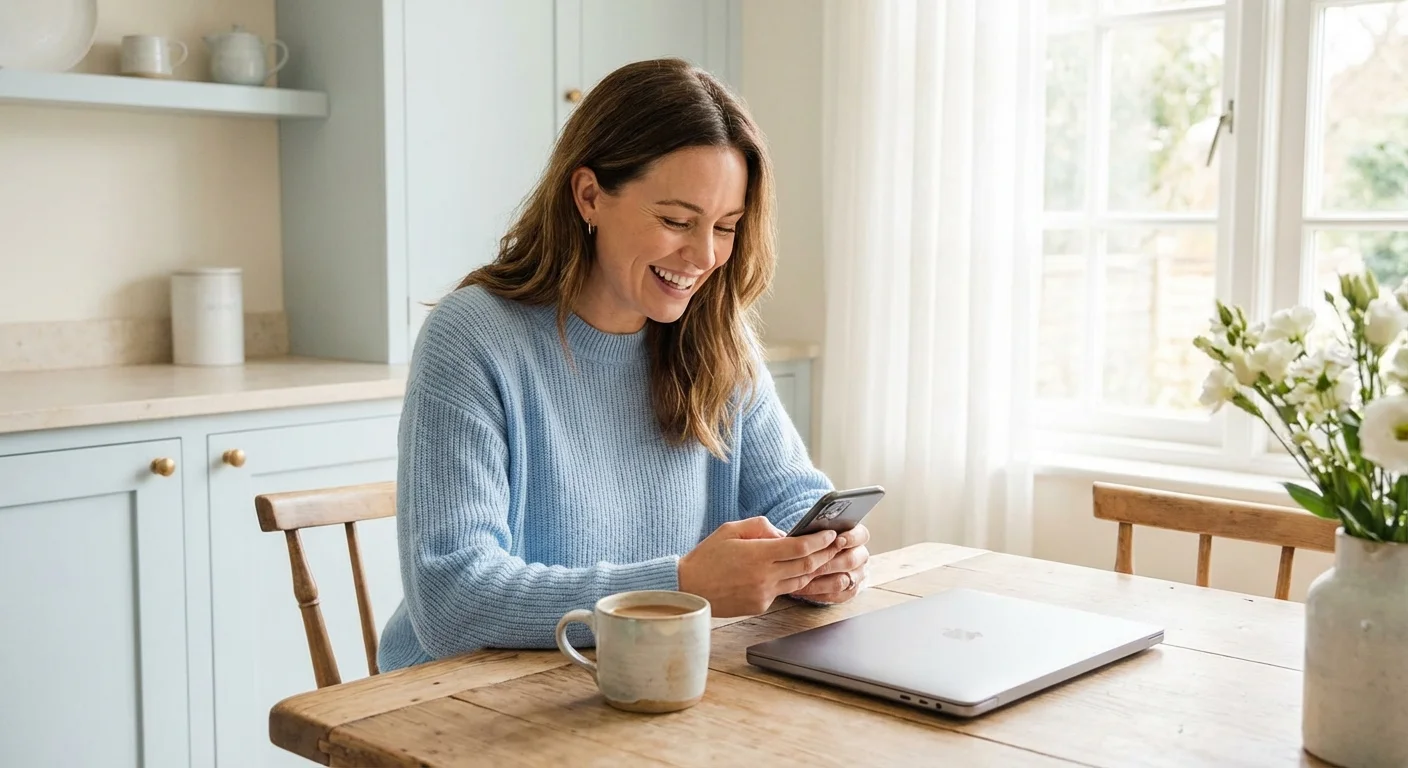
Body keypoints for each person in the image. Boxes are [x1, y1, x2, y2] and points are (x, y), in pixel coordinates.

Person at [377, 58, 870, 672]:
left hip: (637, 680)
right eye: (676, 221)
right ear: (589, 196)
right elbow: (453, 601)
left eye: (726, 227)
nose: (704, 255)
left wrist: (826, 559)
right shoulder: (474, 337)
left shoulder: (718, 335)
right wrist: (681, 585)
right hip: (461, 702)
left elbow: (794, 499)